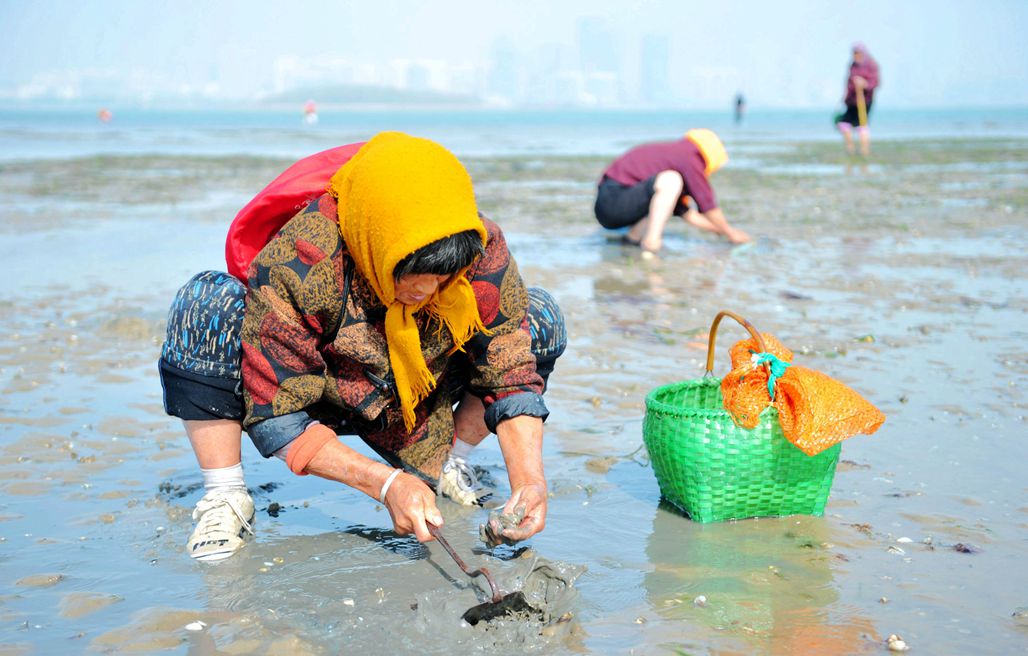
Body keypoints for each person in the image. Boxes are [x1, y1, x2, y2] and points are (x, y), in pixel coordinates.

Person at [159, 132, 566, 561]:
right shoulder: (302, 257)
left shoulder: (477, 244)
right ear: (377, 244)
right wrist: (384, 483)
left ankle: (451, 462)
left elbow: (510, 372)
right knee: (207, 305)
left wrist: (528, 481)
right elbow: (277, 413)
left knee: (538, 317)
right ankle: (225, 496)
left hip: (420, 391)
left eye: (443, 278)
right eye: (413, 273)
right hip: (319, 386)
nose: (427, 290)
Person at [593, 129, 751, 253]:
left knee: (663, 203)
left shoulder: (675, 156)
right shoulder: (690, 158)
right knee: (671, 180)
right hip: (614, 199)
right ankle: (652, 243)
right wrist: (731, 233)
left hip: (609, 204)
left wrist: (721, 230)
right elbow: (707, 205)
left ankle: (632, 238)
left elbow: (688, 214)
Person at [835, 42, 880, 157]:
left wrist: (864, 84)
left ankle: (864, 151)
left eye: (858, 53)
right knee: (843, 124)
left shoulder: (871, 65)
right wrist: (846, 97)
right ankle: (850, 149)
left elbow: (875, 82)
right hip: (852, 101)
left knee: (862, 125)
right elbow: (849, 82)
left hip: (865, 101)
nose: (856, 56)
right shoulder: (853, 65)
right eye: (855, 53)